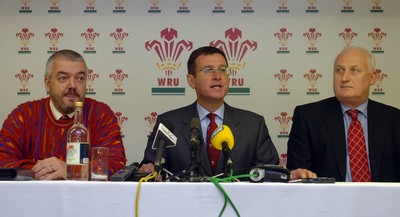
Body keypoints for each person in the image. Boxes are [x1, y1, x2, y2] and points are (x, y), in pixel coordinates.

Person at [139, 46, 279, 179]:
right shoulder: (169, 123)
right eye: (208, 70)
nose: (217, 76)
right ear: (191, 80)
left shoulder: (253, 125)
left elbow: (271, 174)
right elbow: (151, 170)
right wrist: (148, 171)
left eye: (222, 69)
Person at [0, 49, 126, 180]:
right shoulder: (24, 115)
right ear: (47, 84)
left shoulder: (101, 114)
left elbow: (116, 165)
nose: (72, 85)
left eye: (80, 78)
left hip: (86, 199)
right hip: (33, 198)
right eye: (63, 78)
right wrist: (41, 170)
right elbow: (2, 160)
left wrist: (71, 171)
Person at [287, 46, 400, 182]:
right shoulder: (308, 117)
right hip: (328, 201)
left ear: (372, 77)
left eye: (354, 70)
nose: (345, 78)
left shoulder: (394, 120)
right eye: (339, 70)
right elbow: (298, 173)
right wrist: (298, 175)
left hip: (385, 201)